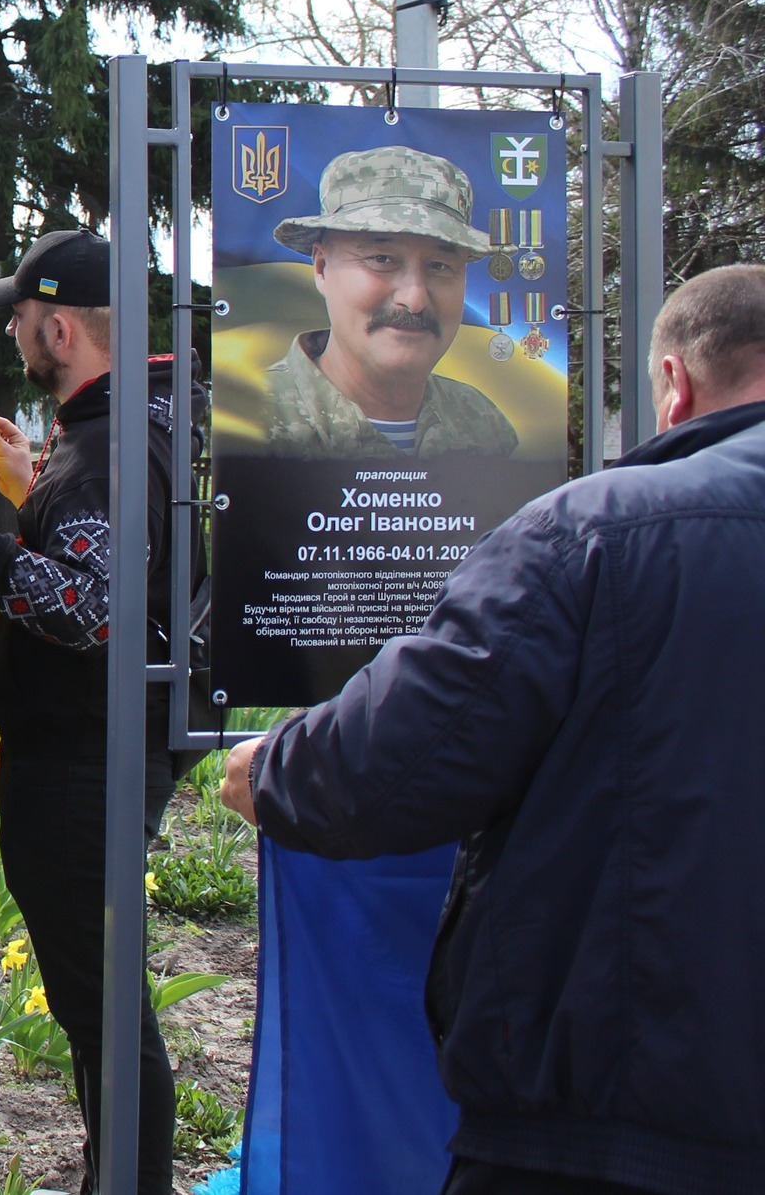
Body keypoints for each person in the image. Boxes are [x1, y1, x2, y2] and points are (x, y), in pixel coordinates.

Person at [221, 264, 765, 1195]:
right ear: (319, 275)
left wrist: (275, 770)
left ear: (672, 385)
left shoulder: (595, 535)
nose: (408, 293)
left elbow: (400, 757)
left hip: (611, 1129)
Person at [0, 229, 196, 1195]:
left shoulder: (109, 443)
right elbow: (115, 565)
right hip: (97, 752)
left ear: (61, 327)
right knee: (97, 1010)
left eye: (21, 315)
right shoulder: (132, 422)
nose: (14, 328)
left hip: (81, 767)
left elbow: (94, 608)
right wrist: (31, 497)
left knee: (106, 1014)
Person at [265, 146, 518, 459]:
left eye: (440, 265)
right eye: (381, 259)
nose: (414, 299)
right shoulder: (253, 413)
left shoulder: (485, 424)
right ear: (322, 268)